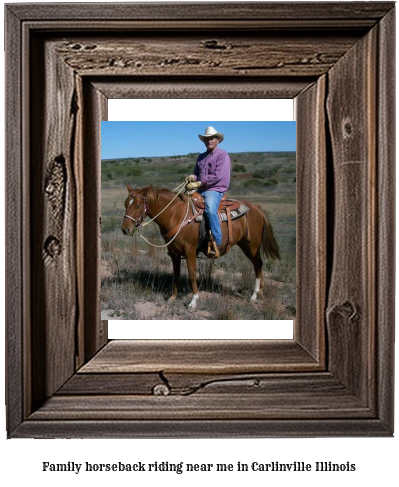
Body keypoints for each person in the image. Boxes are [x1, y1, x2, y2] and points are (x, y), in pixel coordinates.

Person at [185, 126, 231, 258]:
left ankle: (217, 241)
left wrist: (199, 183)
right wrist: (192, 178)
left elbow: (218, 176)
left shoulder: (223, 155)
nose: (209, 140)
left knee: (210, 210)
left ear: (217, 140)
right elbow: (196, 173)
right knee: (183, 204)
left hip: (215, 189)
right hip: (201, 189)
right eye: (207, 139)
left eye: (212, 138)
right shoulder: (201, 157)